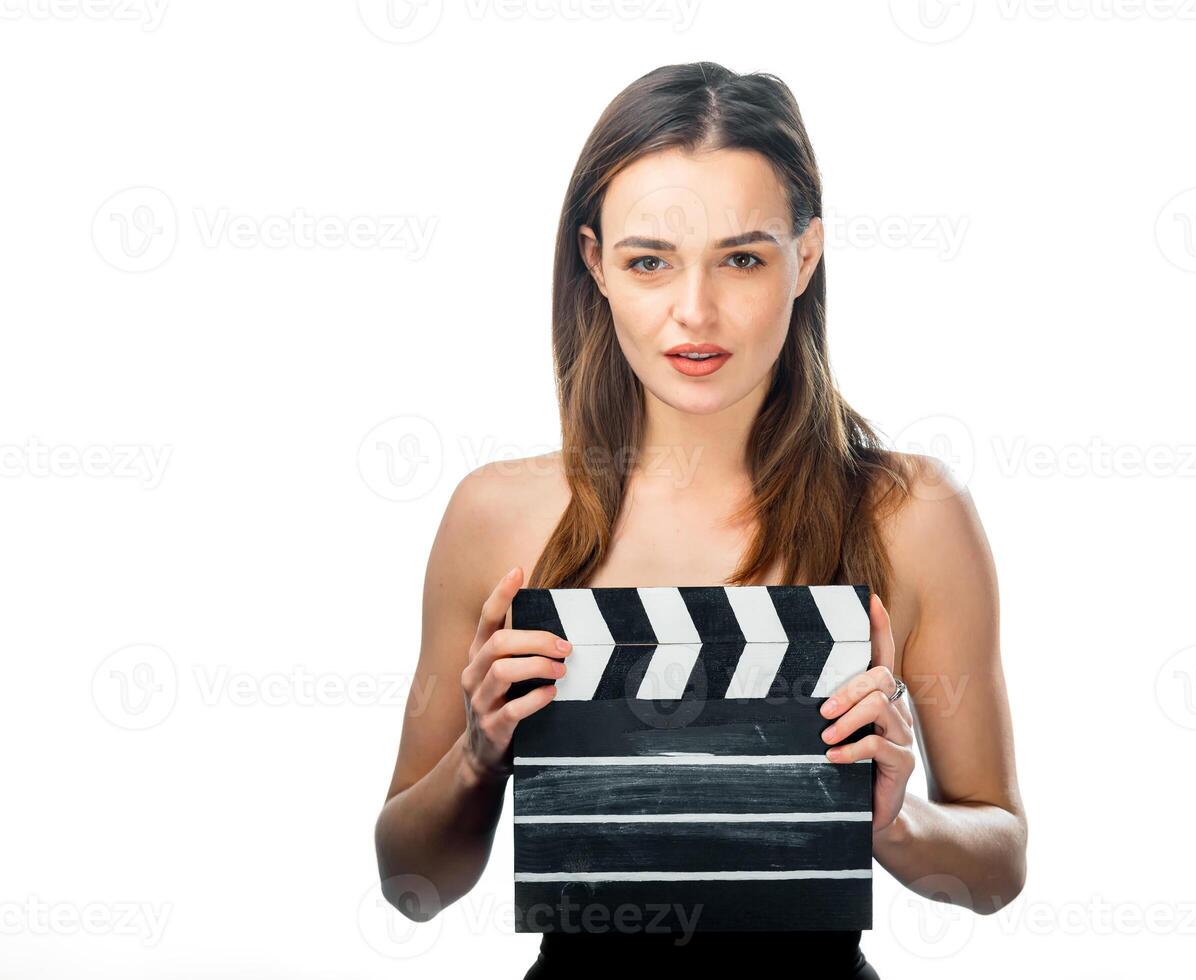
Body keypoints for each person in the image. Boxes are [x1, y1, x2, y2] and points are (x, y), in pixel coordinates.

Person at [372, 61, 1027, 979]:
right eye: (650, 261)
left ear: (805, 257)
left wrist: (895, 815)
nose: (695, 311)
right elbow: (412, 883)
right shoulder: (498, 516)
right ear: (594, 263)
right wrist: (476, 757)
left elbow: (997, 865)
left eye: (742, 257)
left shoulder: (911, 514)